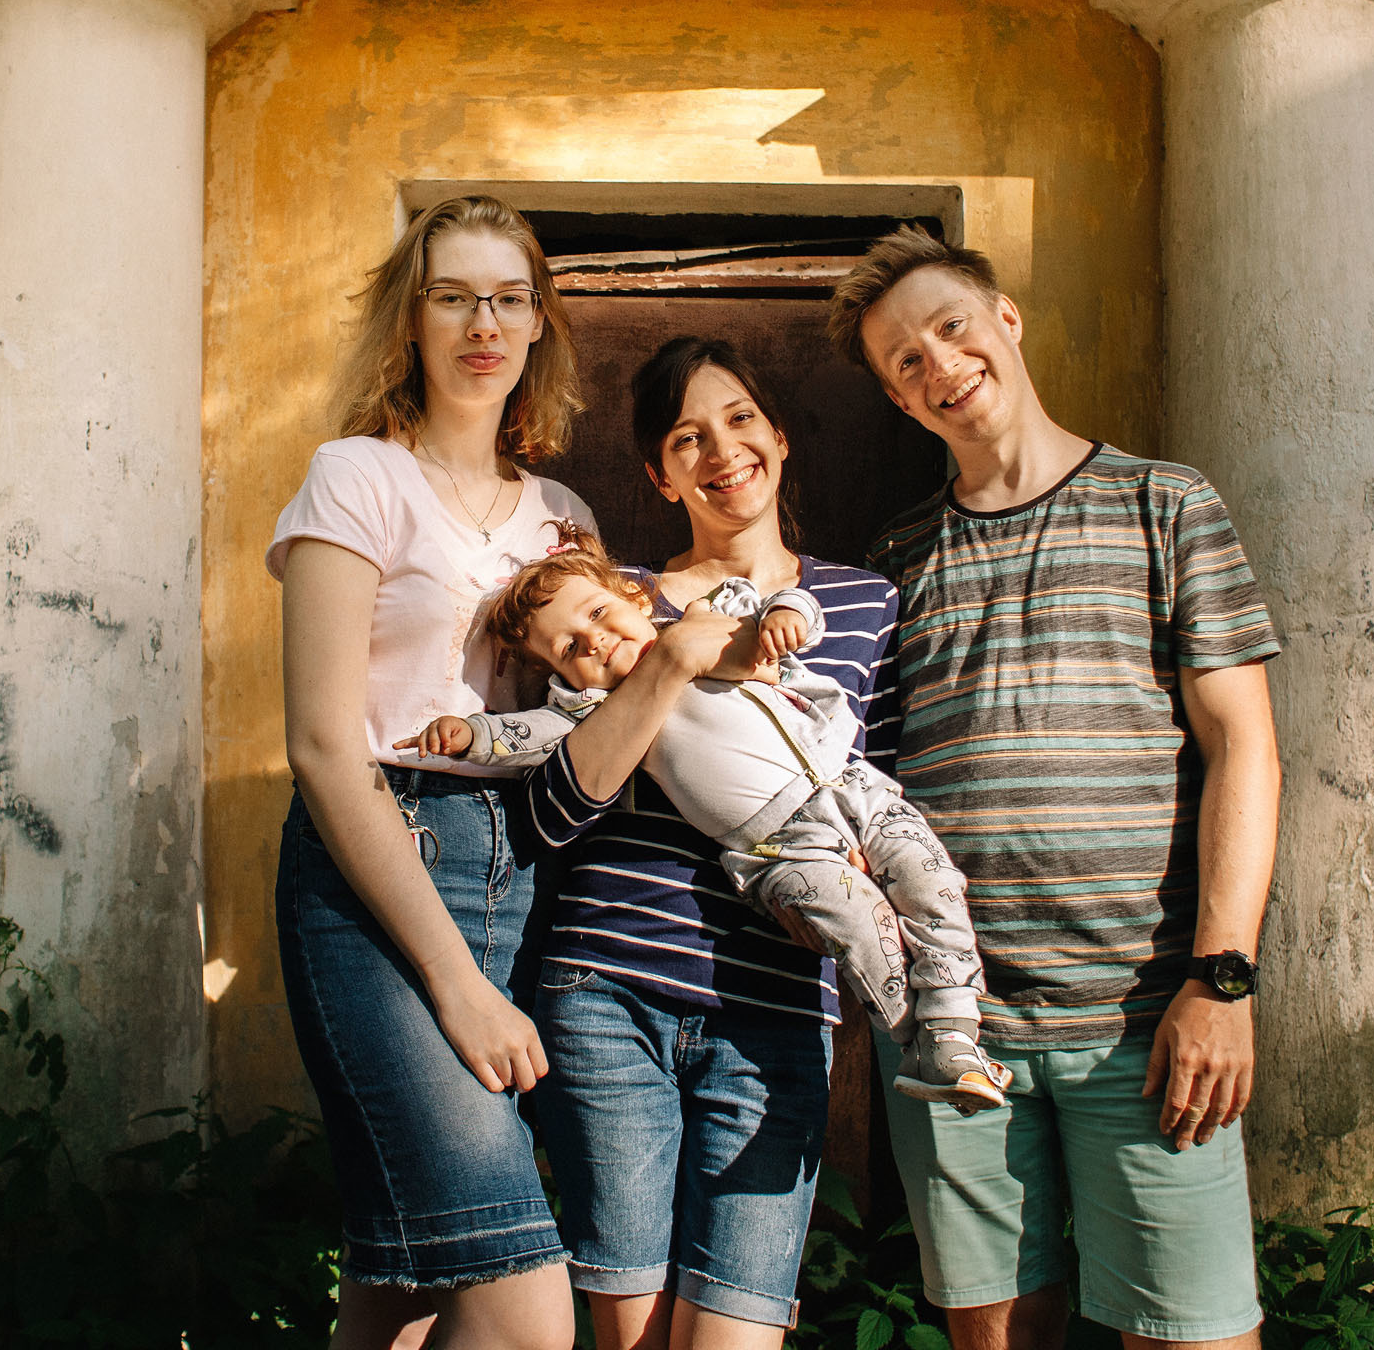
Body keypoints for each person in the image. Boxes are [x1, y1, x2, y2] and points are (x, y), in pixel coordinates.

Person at [826, 227, 1284, 1350]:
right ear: (896, 397)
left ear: (1006, 319)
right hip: (955, 1028)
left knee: (1195, 1334)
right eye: (905, 362)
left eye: (949, 327)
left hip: (1146, 1022)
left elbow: (1245, 750)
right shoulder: (897, 561)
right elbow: (858, 782)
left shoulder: (1165, 506)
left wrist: (1222, 978)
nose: (939, 364)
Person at [514, 337, 895, 1349]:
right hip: (610, 987)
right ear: (660, 472)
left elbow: (874, 782)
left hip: (775, 1007)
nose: (720, 450)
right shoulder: (611, 603)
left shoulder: (861, 603)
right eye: (687, 438)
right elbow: (551, 814)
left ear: (775, 434)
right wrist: (670, 659)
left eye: (737, 420)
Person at [268, 195, 591, 1350]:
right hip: (374, 873)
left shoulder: (560, 518)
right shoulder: (356, 477)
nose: (481, 322)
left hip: (515, 873)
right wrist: (458, 980)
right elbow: (320, 743)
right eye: (452, 295)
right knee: (517, 1299)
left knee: (399, 1289)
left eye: (508, 297)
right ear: (412, 318)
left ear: (540, 320)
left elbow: (582, 732)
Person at [402, 523, 1004, 1109]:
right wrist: (470, 733)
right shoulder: (596, 710)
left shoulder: (709, 619)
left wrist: (786, 615)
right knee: (860, 921)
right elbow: (527, 736)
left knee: (936, 883)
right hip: (777, 848)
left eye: (596, 614)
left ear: (633, 597)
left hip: (854, 791)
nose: (594, 641)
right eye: (569, 649)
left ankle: (956, 1027)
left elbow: (783, 607)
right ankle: (921, 1043)